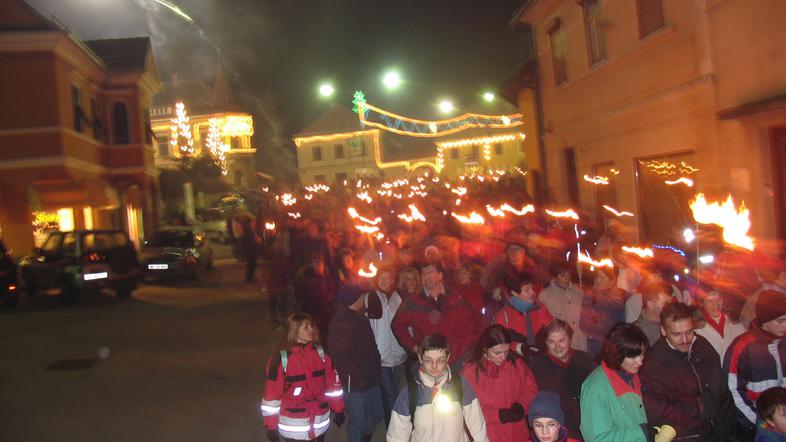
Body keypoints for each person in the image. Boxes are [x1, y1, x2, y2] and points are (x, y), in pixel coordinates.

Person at [639, 301, 735, 441]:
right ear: (663, 331)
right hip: (688, 436)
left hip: (720, 433)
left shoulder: (702, 346)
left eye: (689, 332)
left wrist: (730, 429)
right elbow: (653, 409)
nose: (685, 340)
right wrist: (697, 407)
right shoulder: (653, 365)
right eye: (677, 334)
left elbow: (723, 392)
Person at [387, 334, 489, 442]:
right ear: (420, 358)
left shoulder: (461, 385)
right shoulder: (410, 393)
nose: (434, 366)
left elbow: (477, 426)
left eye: (440, 360)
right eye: (428, 360)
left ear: (448, 357)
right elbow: (397, 436)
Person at [261, 314, 345, 441]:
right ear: (294, 331)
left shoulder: (322, 354)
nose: (311, 330)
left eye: (311, 326)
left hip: (319, 422)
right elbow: (271, 396)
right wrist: (271, 425)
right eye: (306, 328)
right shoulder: (281, 360)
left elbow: (332, 386)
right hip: (294, 426)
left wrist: (338, 409)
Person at [391, 264, 480, 372]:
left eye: (430, 273)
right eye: (424, 273)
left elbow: (470, 325)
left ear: (440, 275)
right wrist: (415, 347)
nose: (426, 276)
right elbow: (397, 325)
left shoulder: (456, 297)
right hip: (429, 363)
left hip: (456, 361)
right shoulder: (414, 300)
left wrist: (462, 351)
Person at [724, 290, 786, 441]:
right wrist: (758, 422)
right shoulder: (743, 347)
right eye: (781, 321)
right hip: (758, 429)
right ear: (765, 320)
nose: (785, 325)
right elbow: (732, 390)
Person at [460, 325, 539, 442]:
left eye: (506, 352)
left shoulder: (516, 364)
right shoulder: (470, 373)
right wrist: (498, 416)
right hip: (489, 435)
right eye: (497, 353)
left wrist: (521, 406)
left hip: (517, 434)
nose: (502, 357)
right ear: (485, 349)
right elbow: (466, 412)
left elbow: (531, 389)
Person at [327, 285, 382, 442]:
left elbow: (372, 346)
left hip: (370, 379)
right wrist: (356, 377)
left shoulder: (360, 318)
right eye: (362, 296)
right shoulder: (341, 323)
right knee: (357, 424)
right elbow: (342, 357)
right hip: (356, 384)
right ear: (356, 299)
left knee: (373, 417)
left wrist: (375, 367)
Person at [580, 323, 650, 442]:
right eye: (633, 357)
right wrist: (642, 433)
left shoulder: (632, 374)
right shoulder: (595, 389)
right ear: (617, 354)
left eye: (642, 354)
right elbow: (597, 439)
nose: (640, 362)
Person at [530, 320, 597, 440]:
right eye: (551, 342)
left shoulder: (585, 360)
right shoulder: (537, 368)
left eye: (561, 340)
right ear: (545, 342)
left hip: (591, 426)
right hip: (560, 432)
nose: (557, 347)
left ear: (570, 339)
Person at [364, 266, 407, 428]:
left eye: (388, 278)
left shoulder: (399, 297)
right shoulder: (369, 298)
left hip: (399, 355)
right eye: (382, 278)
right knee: (392, 395)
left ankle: (388, 418)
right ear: (376, 279)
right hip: (380, 357)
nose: (385, 281)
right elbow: (366, 328)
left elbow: (405, 323)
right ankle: (393, 431)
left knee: (392, 392)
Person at [493, 272, 553, 360]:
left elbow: (553, 330)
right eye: (527, 290)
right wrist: (519, 347)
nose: (533, 293)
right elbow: (499, 342)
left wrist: (547, 344)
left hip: (543, 361)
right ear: (514, 292)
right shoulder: (504, 315)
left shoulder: (540, 309)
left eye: (532, 288)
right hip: (517, 364)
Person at [539, 263, 588, 351]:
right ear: (554, 276)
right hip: (560, 343)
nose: (566, 276)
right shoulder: (545, 296)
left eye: (568, 273)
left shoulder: (579, 292)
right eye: (562, 274)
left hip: (580, 342)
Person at [580, 267, 626, 357]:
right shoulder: (588, 294)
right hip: (586, 342)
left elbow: (619, 325)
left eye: (602, 278)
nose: (598, 281)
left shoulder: (615, 300)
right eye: (597, 277)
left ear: (612, 281)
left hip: (604, 344)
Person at [294, 254, 337, 342]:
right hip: (312, 310)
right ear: (311, 264)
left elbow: (332, 291)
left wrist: (328, 300)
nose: (318, 265)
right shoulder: (306, 278)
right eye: (315, 263)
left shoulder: (327, 276)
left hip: (326, 310)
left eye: (320, 263)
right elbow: (303, 295)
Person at [695, 287, 747, 361]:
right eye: (710, 301)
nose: (715, 304)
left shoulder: (736, 323)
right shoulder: (696, 330)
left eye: (718, 299)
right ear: (702, 303)